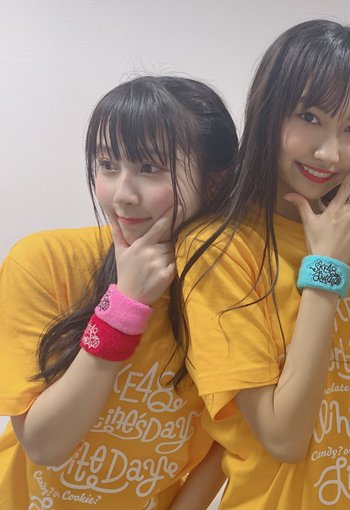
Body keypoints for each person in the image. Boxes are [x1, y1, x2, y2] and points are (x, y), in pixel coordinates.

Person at [175, 20, 350, 509]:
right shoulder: (216, 250)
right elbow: (284, 436)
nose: (329, 152)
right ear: (268, 113)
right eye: (310, 116)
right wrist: (324, 271)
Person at [0, 76, 239, 509]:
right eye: (108, 164)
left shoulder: (230, 289)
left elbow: (227, 442)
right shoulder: (46, 262)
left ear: (214, 182)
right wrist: (124, 308)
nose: (122, 195)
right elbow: (42, 444)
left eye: (149, 168)